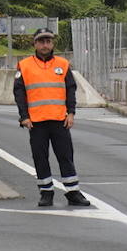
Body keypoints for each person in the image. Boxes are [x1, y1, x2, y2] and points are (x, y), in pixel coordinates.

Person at [14, 28, 90, 208]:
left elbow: (71, 89)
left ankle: (73, 192)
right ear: (35, 44)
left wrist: (71, 112)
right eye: (41, 41)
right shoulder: (24, 65)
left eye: (48, 41)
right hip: (36, 121)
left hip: (59, 120)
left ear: (53, 44)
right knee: (40, 157)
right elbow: (19, 93)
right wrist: (24, 117)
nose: (45, 45)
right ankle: (46, 192)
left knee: (66, 156)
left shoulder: (63, 64)